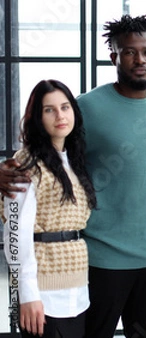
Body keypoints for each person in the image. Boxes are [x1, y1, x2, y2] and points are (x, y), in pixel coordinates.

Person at [0, 15, 146, 337]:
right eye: (129, 52)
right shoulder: (85, 108)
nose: (140, 59)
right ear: (114, 57)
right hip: (101, 256)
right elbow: (46, 148)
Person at [1, 80, 97, 337]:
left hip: (77, 290)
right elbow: (16, 233)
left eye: (65, 107)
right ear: (37, 117)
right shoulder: (26, 162)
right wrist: (28, 295)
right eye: (49, 110)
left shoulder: (74, 161)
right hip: (42, 293)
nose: (60, 116)